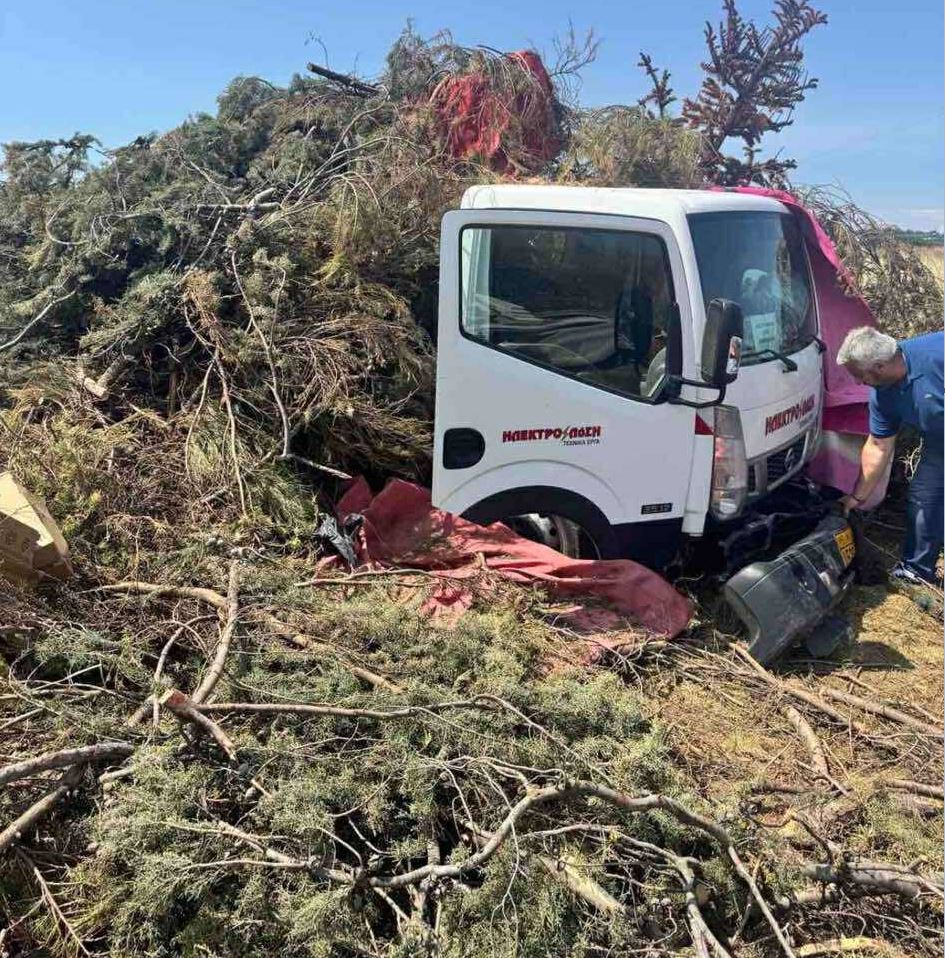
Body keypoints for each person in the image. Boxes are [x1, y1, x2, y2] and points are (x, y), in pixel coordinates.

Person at [835, 327, 944, 584]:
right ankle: (916, 572)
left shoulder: (937, 354)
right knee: (924, 498)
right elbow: (878, 445)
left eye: (859, 376)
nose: (858, 383)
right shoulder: (884, 395)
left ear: (880, 366)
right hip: (940, 442)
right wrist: (857, 497)